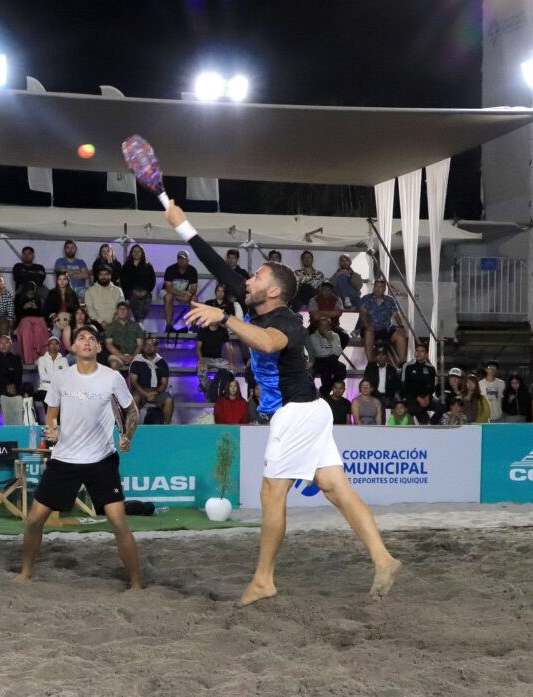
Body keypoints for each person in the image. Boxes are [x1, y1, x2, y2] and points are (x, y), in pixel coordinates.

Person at [167, 202, 399, 604]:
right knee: (335, 487)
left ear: (272, 291)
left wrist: (224, 318)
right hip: (311, 411)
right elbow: (220, 268)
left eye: (256, 276)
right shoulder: (260, 303)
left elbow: (267, 343)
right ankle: (383, 558)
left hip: (295, 414)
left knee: (271, 494)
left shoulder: (286, 322)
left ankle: (263, 579)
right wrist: (183, 225)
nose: (248, 279)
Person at [14, 324, 143, 589]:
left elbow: (132, 412)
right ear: (72, 347)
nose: (86, 341)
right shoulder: (62, 378)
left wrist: (128, 435)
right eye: (80, 338)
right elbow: (51, 413)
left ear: (98, 347)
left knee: (119, 523)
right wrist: (51, 429)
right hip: (64, 459)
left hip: (101, 460)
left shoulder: (112, 378)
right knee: (34, 520)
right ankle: (25, 572)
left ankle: (137, 582)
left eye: (91, 339)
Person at [358, 278, 407, 366]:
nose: (377, 289)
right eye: (376, 286)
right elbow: (363, 314)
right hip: (371, 328)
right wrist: (367, 325)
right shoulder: (366, 299)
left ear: (384, 289)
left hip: (386, 329)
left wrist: (401, 327)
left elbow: (396, 315)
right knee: (368, 331)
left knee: (401, 335)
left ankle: (402, 363)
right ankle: (370, 363)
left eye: (380, 287)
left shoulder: (390, 300)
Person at [129, 336, 174, 424]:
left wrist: (156, 393)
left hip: (156, 392)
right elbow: (133, 382)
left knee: (169, 400)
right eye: (146, 345)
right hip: (140, 391)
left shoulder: (162, 363)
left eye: (152, 345)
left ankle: (167, 428)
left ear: (156, 348)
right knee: (134, 398)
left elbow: (164, 383)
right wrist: (145, 394)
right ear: (143, 347)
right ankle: (133, 428)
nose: (149, 347)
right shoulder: (137, 361)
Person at [306, 317, 345, 398]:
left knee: (342, 369)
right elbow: (321, 352)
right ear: (318, 326)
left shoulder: (335, 336)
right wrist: (331, 346)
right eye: (322, 325)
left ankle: (325, 390)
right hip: (319, 361)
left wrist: (330, 339)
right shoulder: (313, 337)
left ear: (330, 326)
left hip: (332, 360)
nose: (324, 327)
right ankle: (324, 393)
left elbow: (338, 351)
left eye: (326, 325)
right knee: (326, 371)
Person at [162, 250, 199, 333]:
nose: (181, 261)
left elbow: (194, 288)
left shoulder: (192, 270)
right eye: (179, 259)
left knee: (194, 298)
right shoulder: (170, 269)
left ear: (188, 260)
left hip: (183, 294)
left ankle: (194, 326)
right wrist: (181, 294)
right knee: (168, 297)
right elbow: (168, 287)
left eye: (184, 259)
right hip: (169, 292)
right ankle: (168, 325)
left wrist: (188, 295)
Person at [14, 281, 49, 365]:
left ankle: (41, 357)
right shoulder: (18, 298)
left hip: (37, 319)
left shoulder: (39, 299)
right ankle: (29, 360)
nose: (30, 295)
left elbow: (43, 314)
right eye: (29, 293)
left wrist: (36, 308)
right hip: (24, 319)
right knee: (27, 330)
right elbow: (16, 314)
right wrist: (24, 308)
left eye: (32, 293)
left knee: (39, 328)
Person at [195, 318, 232, 398]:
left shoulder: (223, 331)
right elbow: (198, 347)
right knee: (201, 368)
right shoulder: (203, 330)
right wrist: (201, 360)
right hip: (205, 358)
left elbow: (228, 348)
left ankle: (207, 386)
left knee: (232, 370)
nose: (214, 320)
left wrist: (231, 362)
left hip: (218, 359)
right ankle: (213, 388)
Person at [308, 282, 350, 351]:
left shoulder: (337, 299)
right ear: (321, 290)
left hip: (332, 325)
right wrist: (331, 313)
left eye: (329, 290)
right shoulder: (313, 300)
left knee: (345, 337)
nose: (326, 292)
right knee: (304, 336)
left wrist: (320, 311)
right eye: (324, 290)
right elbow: (315, 316)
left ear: (332, 291)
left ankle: (334, 355)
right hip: (316, 326)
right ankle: (315, 357)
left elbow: (338, 313)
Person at [120, 244, 156, 324]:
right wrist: (134, 291)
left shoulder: (148, 266)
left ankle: (139, 323)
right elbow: (124, 281)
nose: (136, 253)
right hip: (131, 292)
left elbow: (152, 281)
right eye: (134, 251)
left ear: (142, 253)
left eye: (138, 251)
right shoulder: (126, 266)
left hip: (145, 292)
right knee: (136, 303)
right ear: (131, 253)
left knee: (145, 303)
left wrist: (145, 291)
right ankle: (139, 323)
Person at [34, 336, 68, 419]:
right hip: (45, 388)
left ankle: (60, 427)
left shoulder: (63, 360)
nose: (54, 346)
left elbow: (66, 376)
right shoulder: (42, 359)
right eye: (51, 344)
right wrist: (58, 376)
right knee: (49, 400)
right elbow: (43, 377)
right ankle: (50, 425)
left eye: (56, 344)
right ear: (48, 346)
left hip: (59, 388)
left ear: (59, 346)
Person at [104, 301, 145, 371]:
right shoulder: (111, 326)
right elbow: (108, 344)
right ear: (116, 311)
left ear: (128, 312)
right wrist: (122, 356)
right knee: (114, 363)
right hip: (117, 355)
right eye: (120, 309)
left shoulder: (135, 326)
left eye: (125, 309)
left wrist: (133, 356)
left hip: (134, 355)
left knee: (142, 364)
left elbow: (140, 344)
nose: (122, 311)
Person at [44, 272, 79, 339]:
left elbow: (76, 309)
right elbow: (49, 310)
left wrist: (69, 321)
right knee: (56, 332)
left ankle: (71, 349)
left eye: (64, 279)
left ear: (67, 281)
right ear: (57, 281)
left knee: (75, 332)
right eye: (60, 279)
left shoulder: (72, 293)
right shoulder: (52, 293)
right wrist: (58, 324)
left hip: (69, 320)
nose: (62, 281)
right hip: (56, 320)